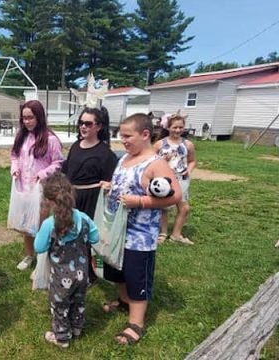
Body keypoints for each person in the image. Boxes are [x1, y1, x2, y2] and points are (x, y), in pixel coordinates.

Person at [100, 113, 181, 345]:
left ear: (145, 134)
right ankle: (124, 301)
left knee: (136, 276)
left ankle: (136, 323)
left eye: (127, 136)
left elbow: (176, 195)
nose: (122, 140)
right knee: (118, 270)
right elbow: (122, 184)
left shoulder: (156, 164)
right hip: (117, 231)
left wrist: (141, 202)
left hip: (139, 236)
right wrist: (110, 187)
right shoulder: (125, 158)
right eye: (121, 135)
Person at [34, 173, 99, 348]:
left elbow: (39, 248)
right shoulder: (83, 217)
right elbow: (95, 237)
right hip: (82, 274)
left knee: (60, 305)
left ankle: (61, 337)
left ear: (49, 200)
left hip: (61, 277)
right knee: (78, 301)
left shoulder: (50, 224)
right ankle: (77, 328)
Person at [62, 107, 117, 283]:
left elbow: (112, 180)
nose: (83, 127)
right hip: (72, 197)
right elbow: (67, 171)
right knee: (71, 233)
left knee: (91, 237)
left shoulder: (105, 153)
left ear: (99, 127)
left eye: (88, 123)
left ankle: (93, 271)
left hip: (92, 200)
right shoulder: (76, 147)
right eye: (80, 123)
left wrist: (108, 185)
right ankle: (72, 265)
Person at [10, 100, 64, 271]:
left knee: (41, 226)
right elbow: (14, 155)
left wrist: (42, 174)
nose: (26, 122)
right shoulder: (22, 137)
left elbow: (59, 162)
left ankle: (43, 260)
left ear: (39, 117)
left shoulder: (50, 140)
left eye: (30, 118)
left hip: (41, 191)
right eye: (24, 118)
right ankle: (29, 256)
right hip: (23, 189)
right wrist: (15, 168)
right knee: (26, 225)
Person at [153, 112, 197, 245]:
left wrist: (188, 171)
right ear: (168, 127)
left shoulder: (188, 144)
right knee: (164, 208)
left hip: (181, 179)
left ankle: (176, 234)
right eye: (175, 127)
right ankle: (162, 233)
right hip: (165, 179)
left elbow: (192, 161)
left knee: (184, 208)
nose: (178, 130)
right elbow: (150, 161)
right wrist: (162, 160)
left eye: (180, 127)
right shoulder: (160, 144)